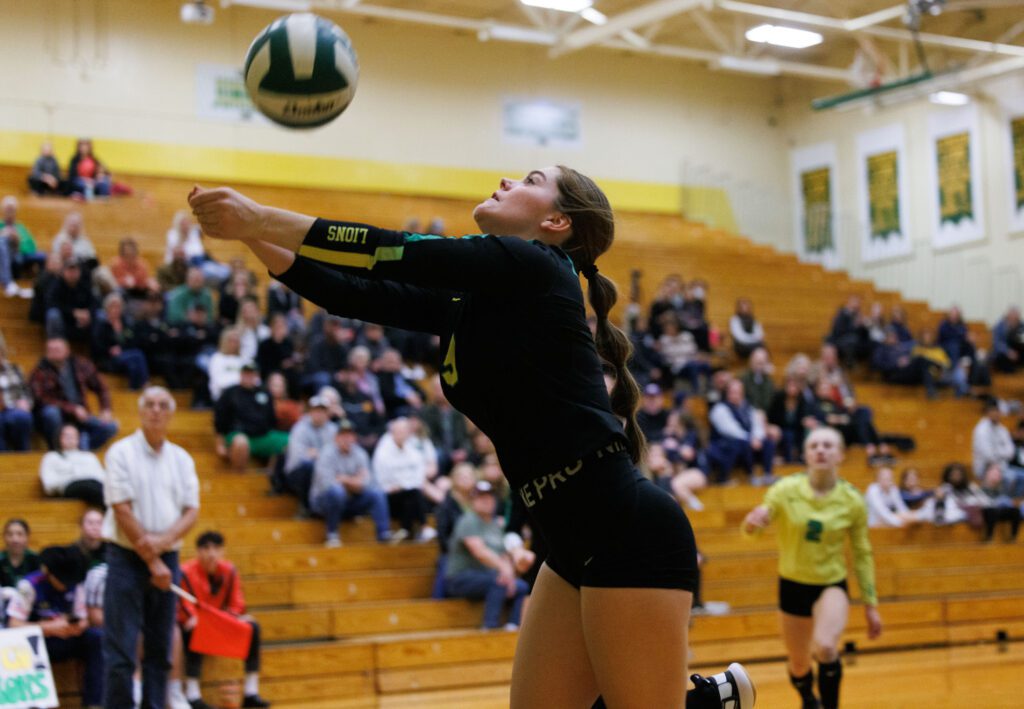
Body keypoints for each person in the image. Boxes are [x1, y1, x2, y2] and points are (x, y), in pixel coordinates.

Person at [188, 168, 755, 707]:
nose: (508, 180)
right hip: (566, 541)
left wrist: (262, 217)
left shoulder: (538, 265)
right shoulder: (474, 301)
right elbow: (351, 292)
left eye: (532, 181)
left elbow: (387, 248)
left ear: (556, 223)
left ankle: (695, 700)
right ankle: (694, 700)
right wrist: (249, 236)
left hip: (625, 527)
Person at [742, 427, 882, 709]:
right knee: (799, 663)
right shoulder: (784, 490)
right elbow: (753, 531)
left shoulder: (852, 500)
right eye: (815, 445)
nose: (821, 450)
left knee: (827, 647)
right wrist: (752, 524)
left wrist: (870, 603)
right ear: (806, 454)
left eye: (828, 445)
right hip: (792, 584)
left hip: (830, 584)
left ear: (840, 455)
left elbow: (862, 552)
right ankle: (808, 699)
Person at [102, 386, 200, 709]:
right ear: (140, 411)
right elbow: (121, 508)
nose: (156, 410)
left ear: (170, 414)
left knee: (159, 649)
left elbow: (192, 510)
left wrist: (162, 546)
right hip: (125, 557)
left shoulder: (182, 459)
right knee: (122, 650)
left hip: (168, 555)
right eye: (150, 405)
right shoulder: (120, 453)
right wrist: (152, 557)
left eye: (162, 405)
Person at [177, 531, 271, 709]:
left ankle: (251, 692)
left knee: (252, 626)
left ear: (222, 551)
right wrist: (205, 620)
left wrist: (225, 619)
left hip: (219, 624)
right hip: (196, 626)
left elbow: (237, 605)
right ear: (198, 551)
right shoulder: (185, 572)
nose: (211, 553)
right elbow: (185, 608)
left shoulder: (230, 571)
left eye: (216, 548)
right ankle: (192, 693)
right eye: (206, 548)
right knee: (196, 627)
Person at [6, 544, 104, 708]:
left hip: (67, 637)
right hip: (40, 642)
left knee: (97, 638)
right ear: (49, 573)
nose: (66, 585)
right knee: (19, 645)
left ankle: (95, 703)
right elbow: (13, 624)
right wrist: (46, 627)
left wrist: (79, 626)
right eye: (62, 581)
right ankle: (34, 704)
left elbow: (84, 617)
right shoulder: (29, 585)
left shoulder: (75, 582)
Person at [445, 480, 530, 630]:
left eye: (490, 496)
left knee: (522, 586)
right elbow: (479, 552)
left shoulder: (497, 524)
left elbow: (505, 554)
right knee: (498, 582)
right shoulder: (468, 520)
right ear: (473, 501)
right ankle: (489, 627)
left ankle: (513, 625)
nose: (486, 500)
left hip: (490, 576)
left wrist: (509, 573)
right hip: (460, 578)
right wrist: (505, 570)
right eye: (481, 497)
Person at [310, 419, 391, 547]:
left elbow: (366, 483)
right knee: (337, 492)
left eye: (350, 435)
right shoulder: (327, 453)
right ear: (336, 437)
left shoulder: (360, 454)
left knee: (377, 493)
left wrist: (344, 479)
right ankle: (332, 534)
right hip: (323, 503)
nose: (347, 439)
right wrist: (354, 481)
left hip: (349, 501)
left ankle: (383, 534)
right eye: (343, 435)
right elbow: (328, 484)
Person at [29, 337, 119, 450]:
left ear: (67, 350)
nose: (53, 353)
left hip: (81, 416)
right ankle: (58, 449)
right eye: (50, 350)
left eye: (57, 349)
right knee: (51, 413)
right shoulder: (39, 371)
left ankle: (81, 448)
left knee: (111, 427)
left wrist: (105, 409)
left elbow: (101, 387)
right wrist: (72, 408)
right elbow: (41, 399)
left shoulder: (80, 365)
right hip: (57, 418)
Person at [214, 362, 288, 470]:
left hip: (262, 436)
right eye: (246, 373)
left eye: (252, 374)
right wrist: (219, 444)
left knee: (290, 441)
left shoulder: (264, 392)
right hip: (238, 434)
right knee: (241, 442)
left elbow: (272, 420)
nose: (248, 376)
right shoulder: (230, 393)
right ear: (241, 375)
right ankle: (239, 478)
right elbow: (220, 420)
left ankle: (271, 475)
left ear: (256, 376)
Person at [283, 396, 338, 512]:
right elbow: (299, 457)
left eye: (322, 410)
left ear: (327, 413)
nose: (319, 414)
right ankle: (305, 506)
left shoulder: (333, 429)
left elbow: (337, 456)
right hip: (297, 472)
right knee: (308, 465)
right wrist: (323, 457)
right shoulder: (299, 428)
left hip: (325, 471)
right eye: (316, 410)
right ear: (310, 412)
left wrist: (319, 455)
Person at [92, 292, 150, 390]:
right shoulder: (101, 325)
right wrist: (109, 350)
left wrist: (121, 348)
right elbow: (96, 345)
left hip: (126, 355)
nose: (116, 309)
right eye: (113, 306)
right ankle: (145, 383)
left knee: (133, 364)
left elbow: (133, 341)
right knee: (137, 355)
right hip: (108, 359)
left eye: (118, 307)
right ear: (107, 308)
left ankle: (133, 390)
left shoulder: (126, 323)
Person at [39, 424, 107, 507]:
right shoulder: (51, 457)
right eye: (67, 435)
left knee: (100, 487)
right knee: (88, 486)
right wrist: (73, 478)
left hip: (94, 487)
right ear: (59, 438)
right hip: (68, 488)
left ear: (78, 438)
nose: (70, 438)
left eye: (73, 435)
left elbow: (103, 478)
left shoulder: (89, 456)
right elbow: (49, 485)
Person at [0, 333, 34, 451]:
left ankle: (23, 454)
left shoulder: (15, 369)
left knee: (22, 417)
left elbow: (27, 393)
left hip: (12, 409)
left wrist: (26, 403)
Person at [0, 518, 40, 587]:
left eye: (20, 534)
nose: (15, 539)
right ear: (4, 537)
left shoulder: (36, 559)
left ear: (27, 536)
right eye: (10, 534)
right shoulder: (1, 559)